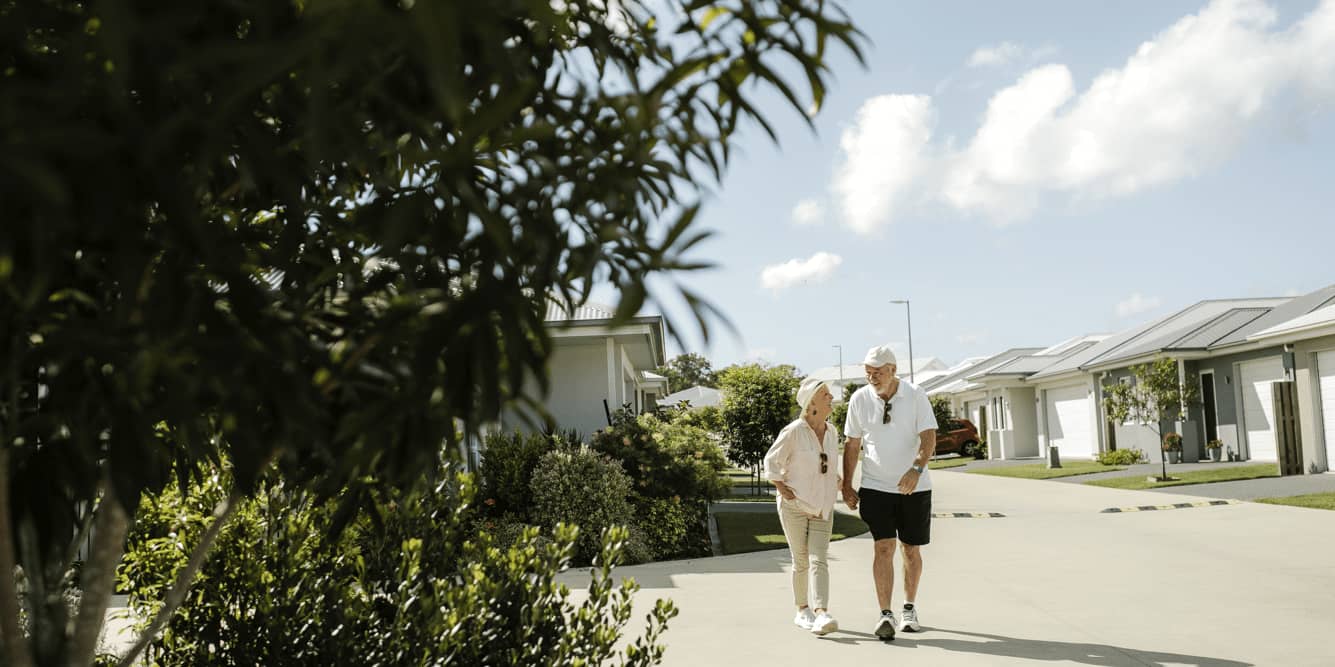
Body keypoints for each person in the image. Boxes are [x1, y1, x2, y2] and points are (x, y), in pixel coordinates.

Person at [840, 344, 938, 641]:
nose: (872, 378)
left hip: (914, 487)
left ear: (893, 370)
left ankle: (909, 608)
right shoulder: (859, 399)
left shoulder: (916, 395)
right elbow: (852, 444)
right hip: (876, 486)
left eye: (878, 372)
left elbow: (929, 437)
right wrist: (847, 484)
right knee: (883, 547)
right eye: (868, 372)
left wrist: (916, 469)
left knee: (910, 549)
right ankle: (885, 614)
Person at [763, 376, 842, 636]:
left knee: (820, 559)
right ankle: (802, 610)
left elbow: (826, 464)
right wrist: (782, 489)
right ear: (812, 403)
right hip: (794, 506)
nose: (831, 398)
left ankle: (822, 613)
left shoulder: (832, 432)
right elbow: (771, 461)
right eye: (825, 394)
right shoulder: (794, 431)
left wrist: (838, 481)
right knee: (801, 560)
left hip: (822, 506)